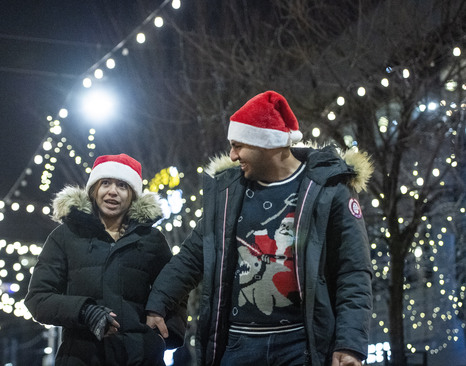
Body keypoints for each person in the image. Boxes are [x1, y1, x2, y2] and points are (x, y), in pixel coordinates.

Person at [146, 91, 373, 366]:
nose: (232, 156)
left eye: (238, 145)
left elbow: (353, 271)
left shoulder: (330, 189)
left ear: (266, 144)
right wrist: (157, 303)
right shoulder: (227, 193)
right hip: (238, 345)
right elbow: (193, 256)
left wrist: (350, 344)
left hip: (302, 346)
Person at [25, 154, 186, 366]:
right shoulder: (64, 236)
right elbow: (38, 299)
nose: (112, 191)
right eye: (105, 183)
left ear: (132, 194)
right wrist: (85, 311)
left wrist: (164, 336)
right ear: (94, 190)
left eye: (122, 185)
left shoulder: (152, 240)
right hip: (81, 358)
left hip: (141, 359)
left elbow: (175, 290)